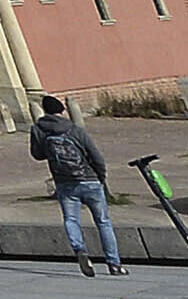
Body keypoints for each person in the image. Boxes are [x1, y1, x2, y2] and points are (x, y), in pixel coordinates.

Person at [34, 95, 124, 275]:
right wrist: (101, 176)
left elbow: (37, 155)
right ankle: (114, 264)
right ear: (62, 110)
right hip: (89, 179)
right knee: (103, 222)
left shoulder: (38, 129)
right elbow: (95, 155)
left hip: (64, 182)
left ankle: (80, 250)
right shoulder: (75, 129)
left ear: (44, 111)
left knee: (71, 219)